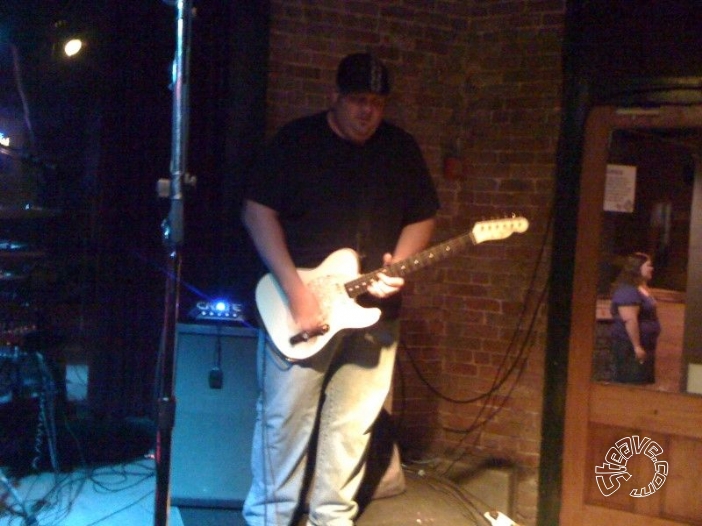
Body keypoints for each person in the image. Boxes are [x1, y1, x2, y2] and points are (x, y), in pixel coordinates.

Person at [240, 52, 439, 526]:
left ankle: (332, 519)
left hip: (374, 314)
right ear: (335, 96)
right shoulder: (296, 141)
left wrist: (402, 266)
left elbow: (423, 214)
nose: (367, 111)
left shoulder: (401, 149)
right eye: (356, 100)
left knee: (352, 428)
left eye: (376, 102)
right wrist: (296, 292)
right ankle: (270, 520)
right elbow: (256, 211)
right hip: (301, 307)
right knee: (284, 424)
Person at [609, 252, 662, 384]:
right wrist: (637, 346)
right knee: (631, 381)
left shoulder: (641, 287)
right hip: (629, 346)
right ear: (637, 267)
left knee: (641, 381)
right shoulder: (627, 290)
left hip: (646, 345)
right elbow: (630, 319)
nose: (652, 268)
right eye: (648, 265)